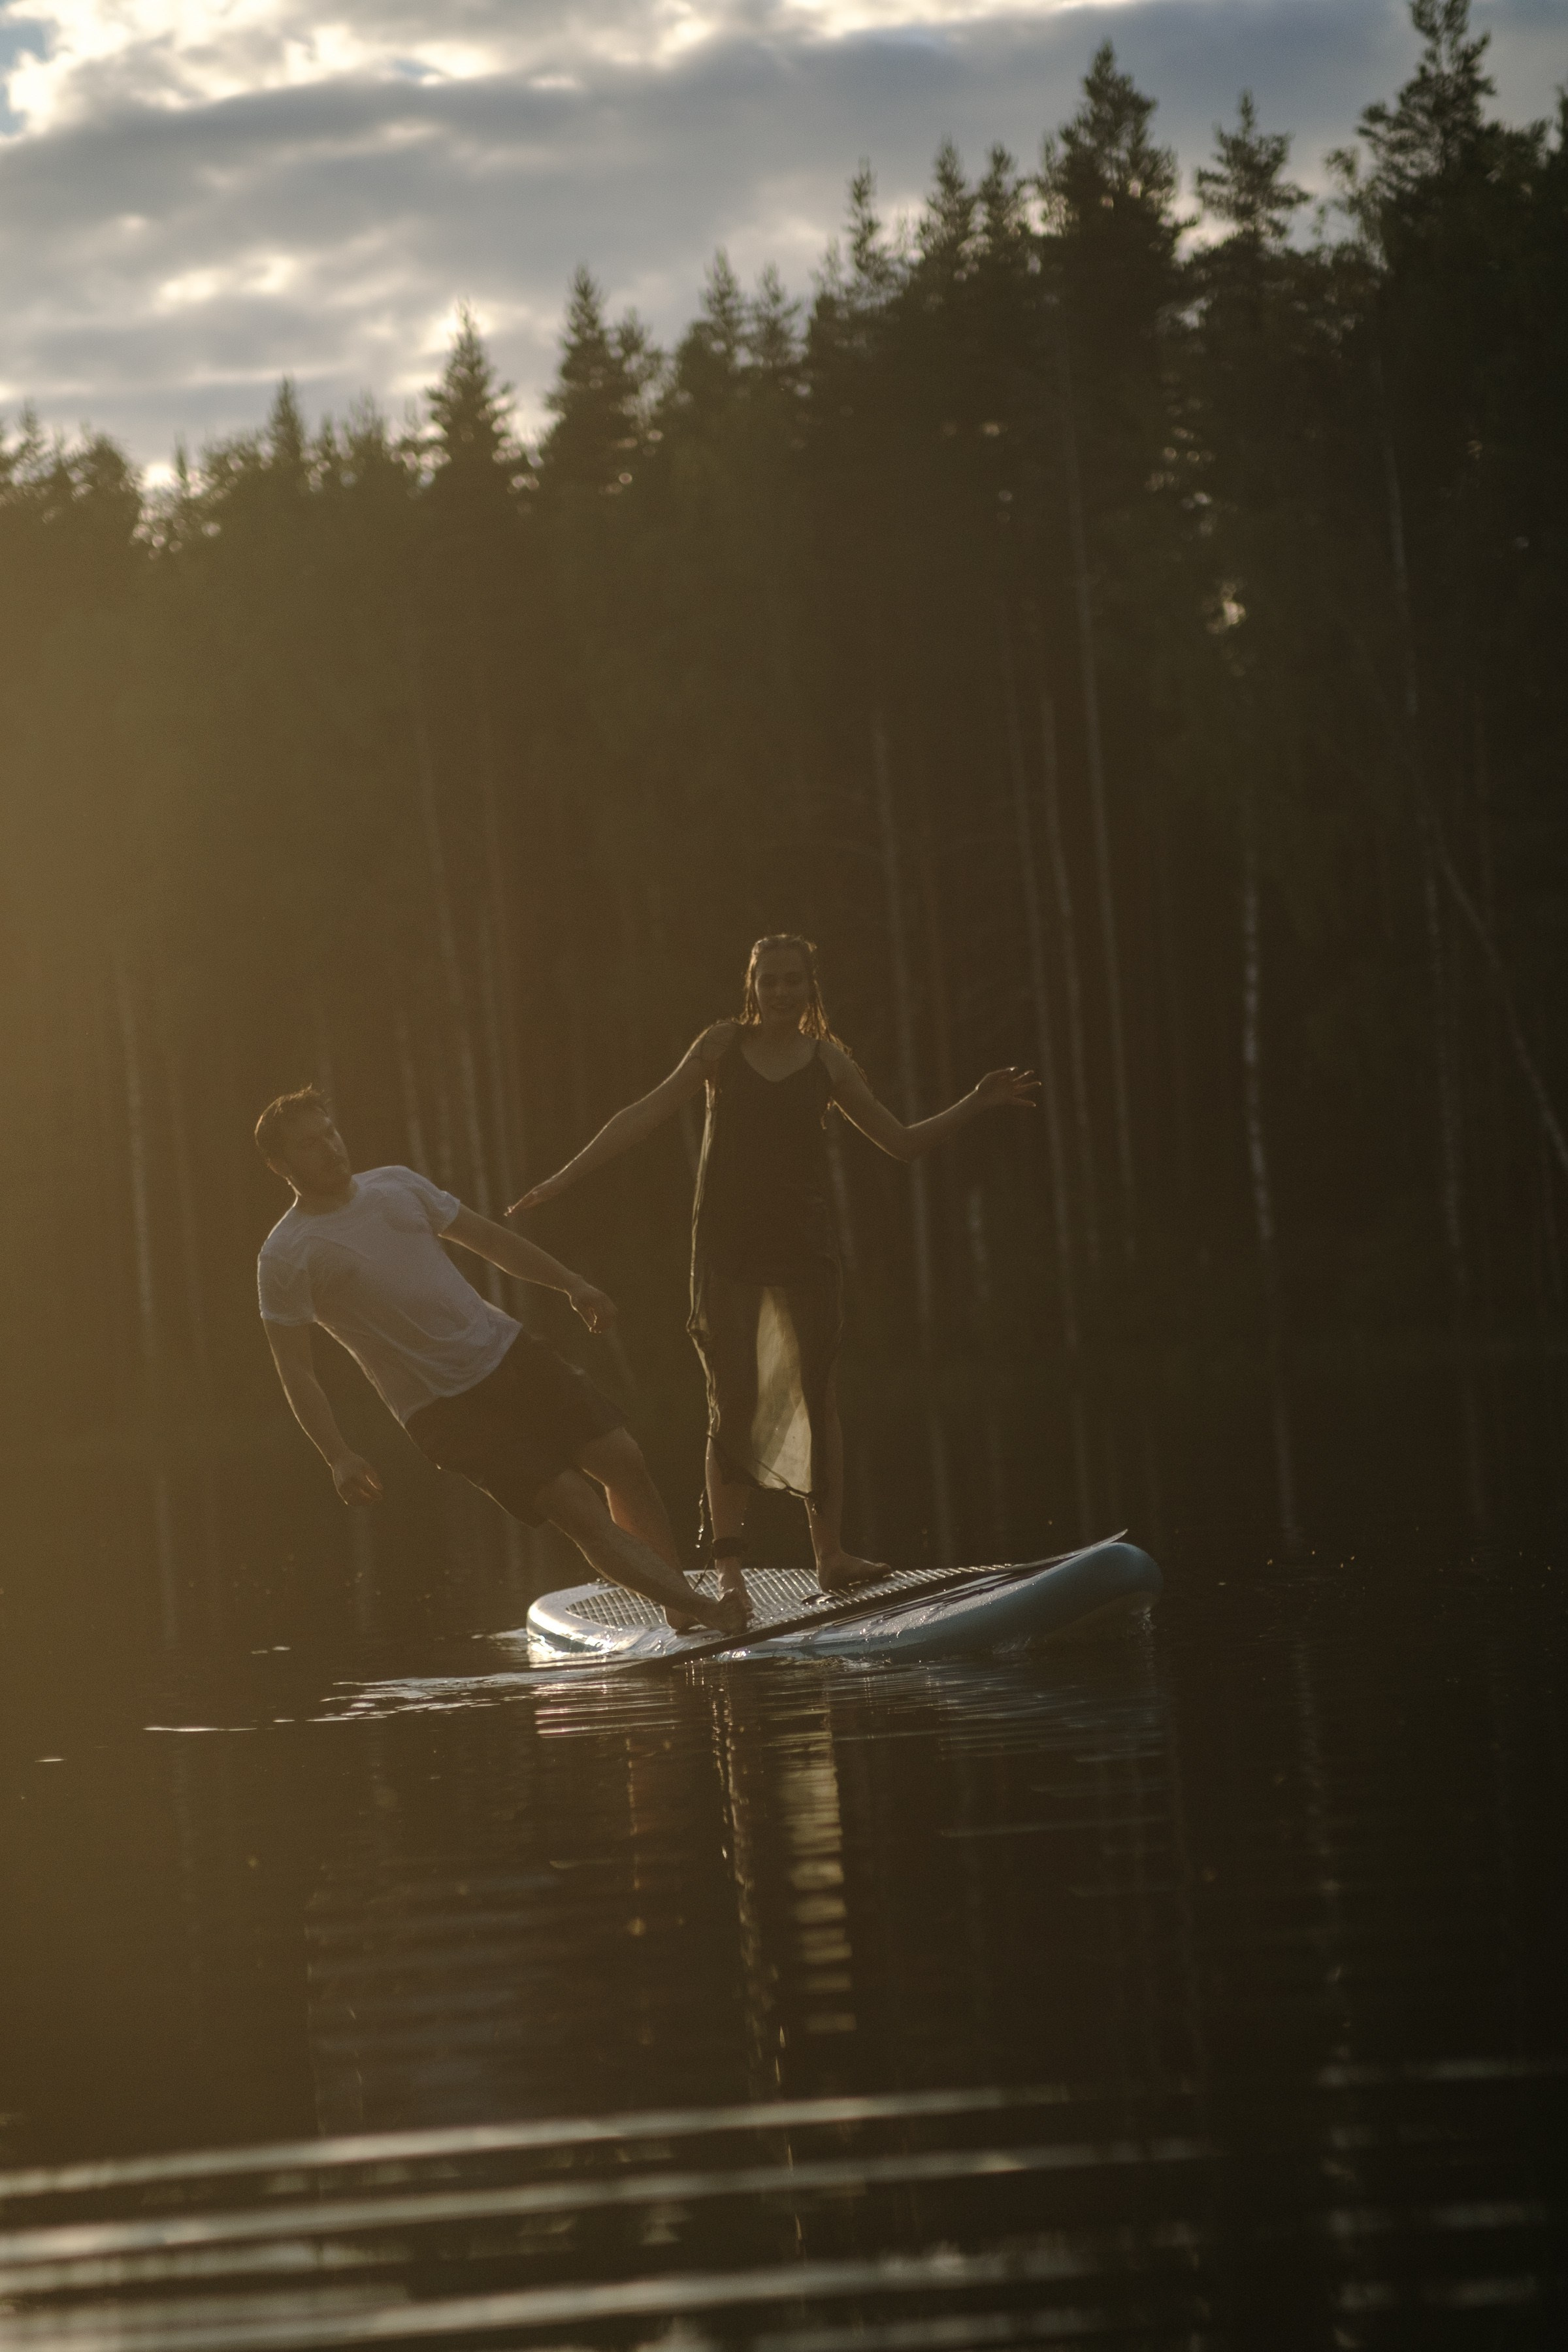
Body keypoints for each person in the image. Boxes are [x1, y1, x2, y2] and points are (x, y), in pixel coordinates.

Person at [510, 935, 1037, 1599]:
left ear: (810, 988)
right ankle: (728, 1571)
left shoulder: (828, 1061)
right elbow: (643, 1115)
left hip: (805, 1251)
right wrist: (563, 1177)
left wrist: (975, 1102)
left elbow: (900, 1144)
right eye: (771, 982)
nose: (782, 993)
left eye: (794, 981)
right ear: (752, 986)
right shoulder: (720, 1047)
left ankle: (832, 1556)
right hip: (728, 1252)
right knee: (733, 1405)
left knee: (817, 1399)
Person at [253, 1086, 745, 1637]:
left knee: (624, 1460)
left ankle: (678, 1608)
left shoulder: (395, 1184)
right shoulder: (285, 1255)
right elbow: (295, 1368)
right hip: (443, 1409)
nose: (329, 1149)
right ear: (280, 1166)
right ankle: (704, 1609)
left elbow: (489, 1240)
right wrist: (337, 1455)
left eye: (330, 1133)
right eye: (308, 1145)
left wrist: (572, 1284)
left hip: (509, 1353)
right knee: (575, 1507)